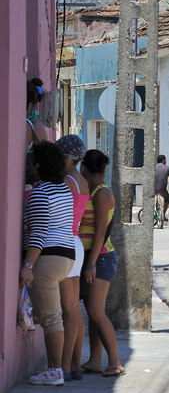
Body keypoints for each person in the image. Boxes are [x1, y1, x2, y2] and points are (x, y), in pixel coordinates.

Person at [22, 142, 76, 386]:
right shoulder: (63, 189)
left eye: (33, 161)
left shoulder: (40, 193)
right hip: (66, 256)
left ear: (39, 165)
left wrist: (28, 266)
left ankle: (55, 371)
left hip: (47, 258)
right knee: (55, 316)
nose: (30, 165)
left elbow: (39, 233)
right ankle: (56, 369)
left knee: (52, 318)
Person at [77, 149, 125, 377]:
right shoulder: (92, 191)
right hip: (94, 258)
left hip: (101, 258)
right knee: (93, 310)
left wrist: (91, 263)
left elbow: (100, 233)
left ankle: (115, 362)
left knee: (96, 311)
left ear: (84, 168)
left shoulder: (101, 194)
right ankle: (95, 360)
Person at [54, 135, 89, 380]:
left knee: (68, 309)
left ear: (66, 158)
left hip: (65, 242)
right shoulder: (81, 181)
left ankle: (65, 365)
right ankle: (74, 364)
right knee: (74, 308)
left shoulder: (66, 181)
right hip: (76, 243)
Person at [154, 154, 169, 220]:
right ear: (163, 160)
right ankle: (163, 214)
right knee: (167, 199)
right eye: (165, 159)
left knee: (149, 199)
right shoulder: (167, 168)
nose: (166, 161)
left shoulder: (153, 167)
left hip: (152, 189)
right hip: (162, 189)